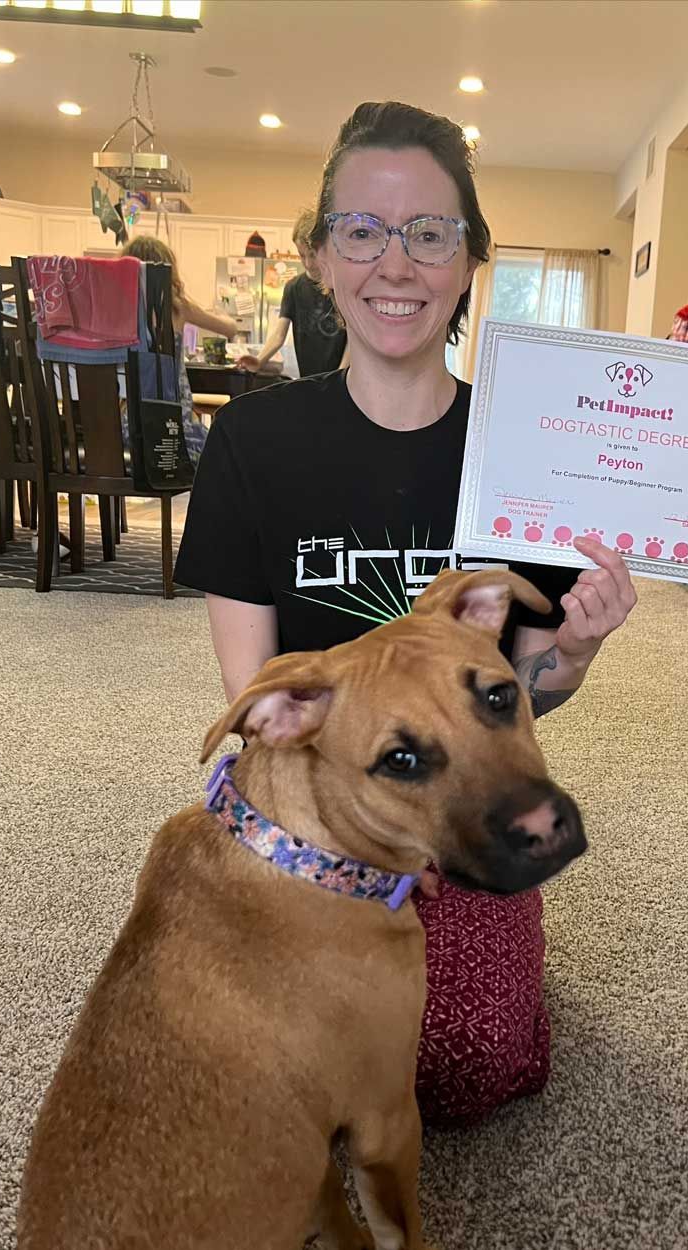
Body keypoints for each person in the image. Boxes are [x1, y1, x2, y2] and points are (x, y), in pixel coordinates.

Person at [174, 101, 637, 1124]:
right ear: (322, 258)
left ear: (470, 257)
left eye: (429, 233)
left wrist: (578, 645)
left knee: (464, 1068)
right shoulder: (252, 442)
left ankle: (514, 957)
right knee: (253, 1063)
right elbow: (254, 712)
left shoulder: (527, 453)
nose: (396, 264)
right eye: (363, 231)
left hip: (460, 803)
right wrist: (341, 849)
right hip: (317, 800)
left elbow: (524, 699)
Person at [120, 235, 238, 463]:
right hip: (174, 432)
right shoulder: (178, 307)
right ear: (168, 272)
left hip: (128, 432)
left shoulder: (117, 313)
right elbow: (230, 328)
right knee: (223, 455)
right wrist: (221, 311)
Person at [239, 209, 348, 377]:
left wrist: (341, 375)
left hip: (342, 378)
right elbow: (278, 335)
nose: (308, 263)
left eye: (312, 255)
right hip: (308, 379)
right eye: (302, 255)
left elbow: (353, 338)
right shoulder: (294, 288)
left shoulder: (340, 286)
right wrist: (259, 361)